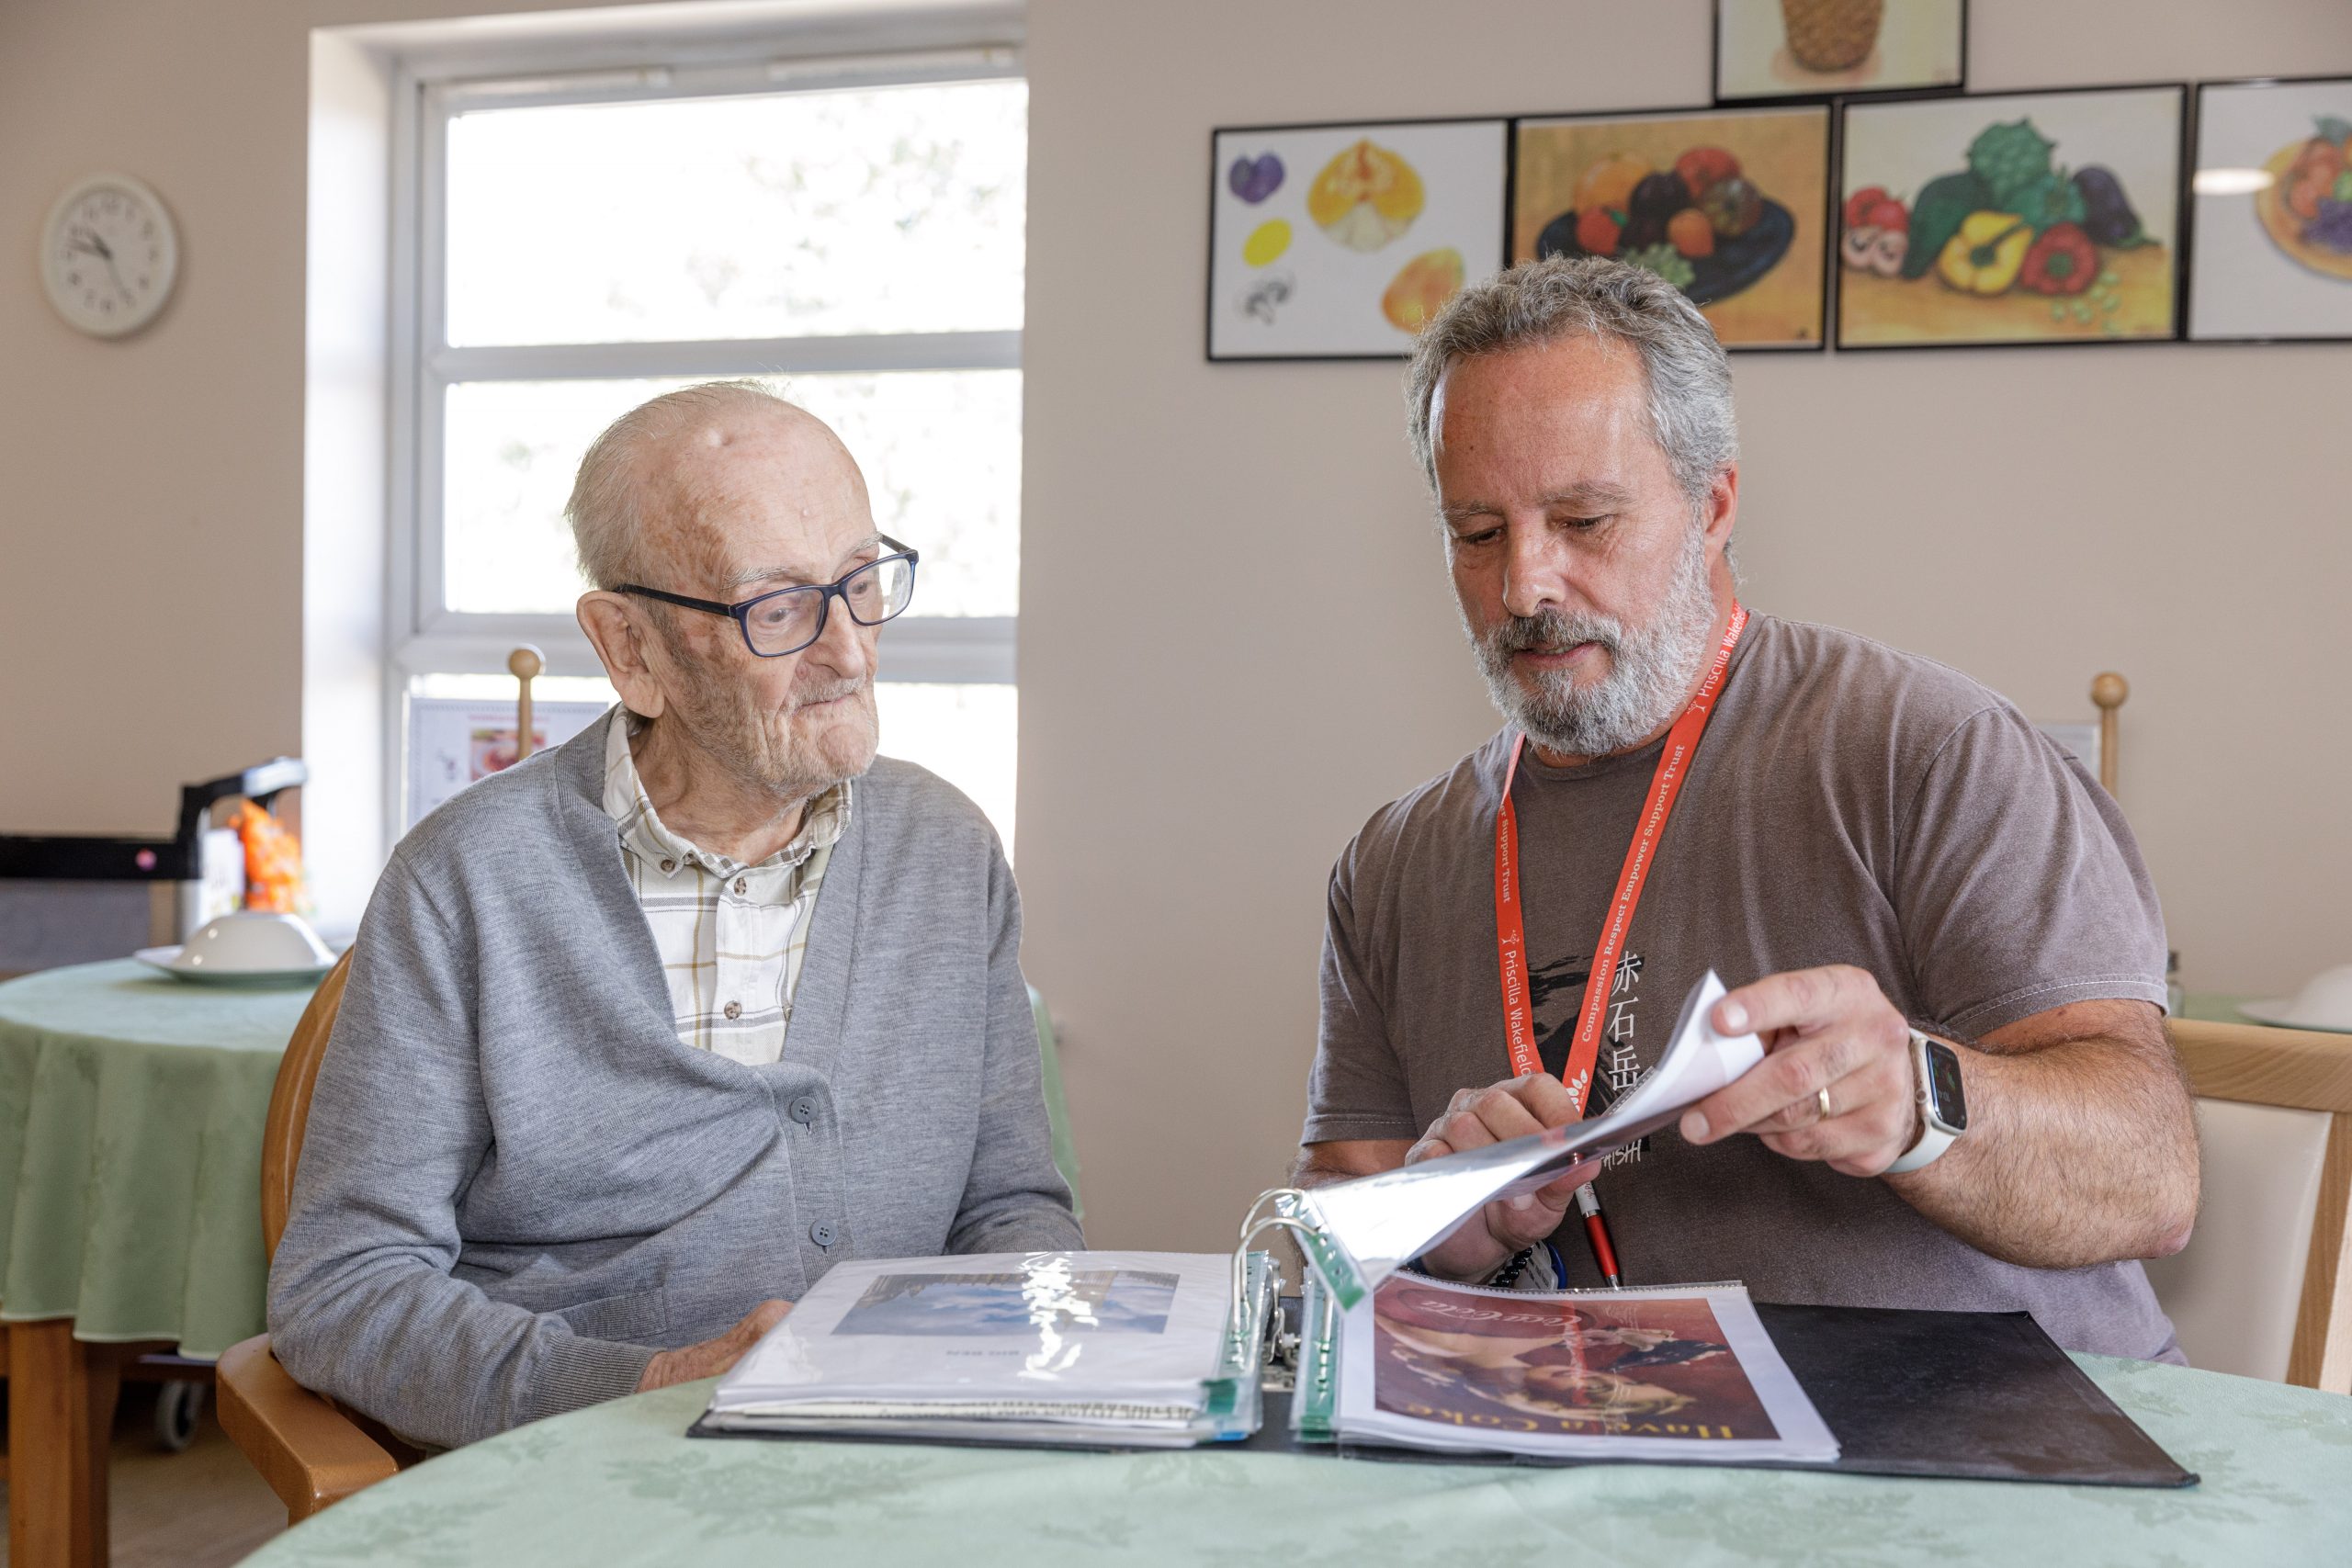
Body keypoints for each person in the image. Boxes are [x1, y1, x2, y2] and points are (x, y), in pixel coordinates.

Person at [1295, 257, 2197, 1361]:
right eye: (1477, 534)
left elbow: (2151, 1179)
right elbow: (1320, 1241)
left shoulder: (1929, 753)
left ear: (1713, 503)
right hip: (1597, 1472)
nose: (1525, 585)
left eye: (1583, 520)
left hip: (1973, 1474)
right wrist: (1444, 1233)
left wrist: (1922, 1104)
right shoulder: (1393, 863)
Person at [269, 382, 1080, 1449]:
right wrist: (645, 1386)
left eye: (859, 582)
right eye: (778, 608)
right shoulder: (465, 879)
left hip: (899, 1465)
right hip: (582, 1486)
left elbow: (1009, 1206)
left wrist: (1025, 1374)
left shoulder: (947, 848)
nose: (848, 652)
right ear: (630, 650)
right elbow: (344, 1291)